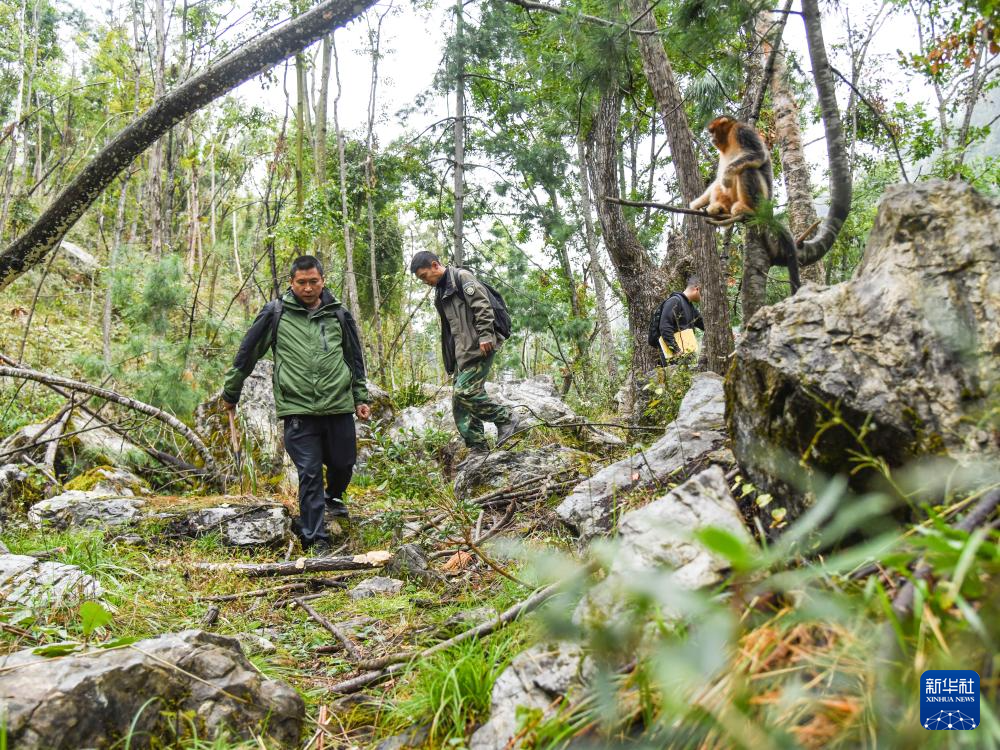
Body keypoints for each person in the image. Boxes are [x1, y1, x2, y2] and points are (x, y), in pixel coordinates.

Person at [221, 255, 371, 556]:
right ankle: (316, 539)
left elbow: (354, 358)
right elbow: (248, 352)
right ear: (291, 282)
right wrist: (231, 391)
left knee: (344, 463)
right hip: (298, 409)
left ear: (323, 281)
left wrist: (360, 397)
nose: (308, 288)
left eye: (313, 281)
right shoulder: (276, 313)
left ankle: (333, 497)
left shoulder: (338, 313)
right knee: (310, 472)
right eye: (301, 282)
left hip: (337, 404)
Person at [409, 251, 520, 453]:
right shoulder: (440, 291)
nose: (425, 282)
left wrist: (485, 335)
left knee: (465, 393)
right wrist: (451, 359)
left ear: (435, 265)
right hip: (462, 352)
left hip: (480, 346)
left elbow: (482, 305)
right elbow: (450, 329)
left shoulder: (461, 277)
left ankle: (506, 418)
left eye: (425, 276)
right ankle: (477, 446)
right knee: (459, 403)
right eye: (421, 279)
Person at [656, 275, 704, 365]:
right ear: (697, 289)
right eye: (703, 293)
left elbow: (704, 324)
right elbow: (665, 327)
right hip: (673, 357)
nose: (703, 297)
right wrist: (676, 350)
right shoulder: (675, 301)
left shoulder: (690, 306)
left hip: (685, 356)